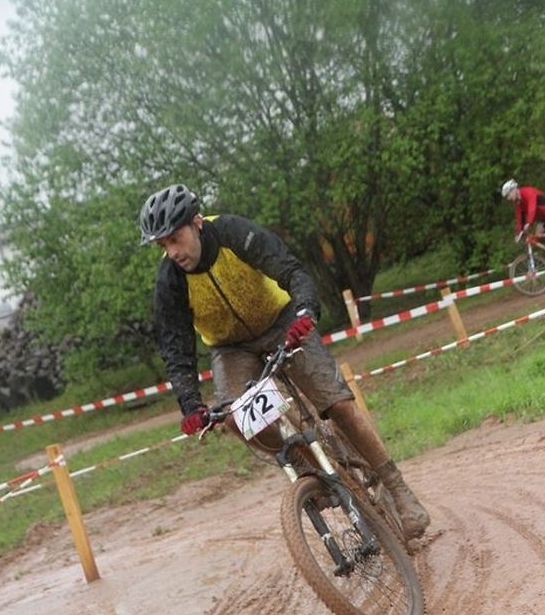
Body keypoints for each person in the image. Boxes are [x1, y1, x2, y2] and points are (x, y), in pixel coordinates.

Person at [139, 183, 430, 540]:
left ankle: (398, 489)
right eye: (163, 245)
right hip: (231, 349)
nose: (172, 251)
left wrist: (305, 311)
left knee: (339, 406)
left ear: (197, 222)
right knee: (234, 419)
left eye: (175, 238)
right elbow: (175, 347)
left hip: (282, 322)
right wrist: (191, 405)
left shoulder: (232, 232)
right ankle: (308, 467)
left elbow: (291, 271)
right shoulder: (169, 280)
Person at [501, 179, 545, 260]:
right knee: (538, 236)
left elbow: (532, 208)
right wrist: (518, 233)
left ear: (514, 190)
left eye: (508, 195)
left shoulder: (527, 192)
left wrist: (528, 222)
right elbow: (519, 218)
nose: (508, 198)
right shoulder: (518, 203)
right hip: (544, 216)